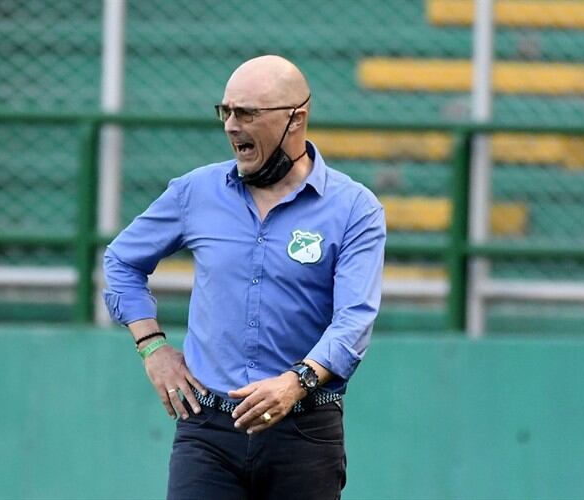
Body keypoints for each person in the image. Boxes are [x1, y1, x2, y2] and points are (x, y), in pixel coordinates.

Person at [103, 55, 386, 499]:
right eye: (226, 111)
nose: (231, 125)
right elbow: (121, 261)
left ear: (297, 119)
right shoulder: (195, 192)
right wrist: (152, 346)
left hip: (304, 433)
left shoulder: (354, 209)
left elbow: (354, 320)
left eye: (247, 113)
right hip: (207, 431)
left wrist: (295, 383)